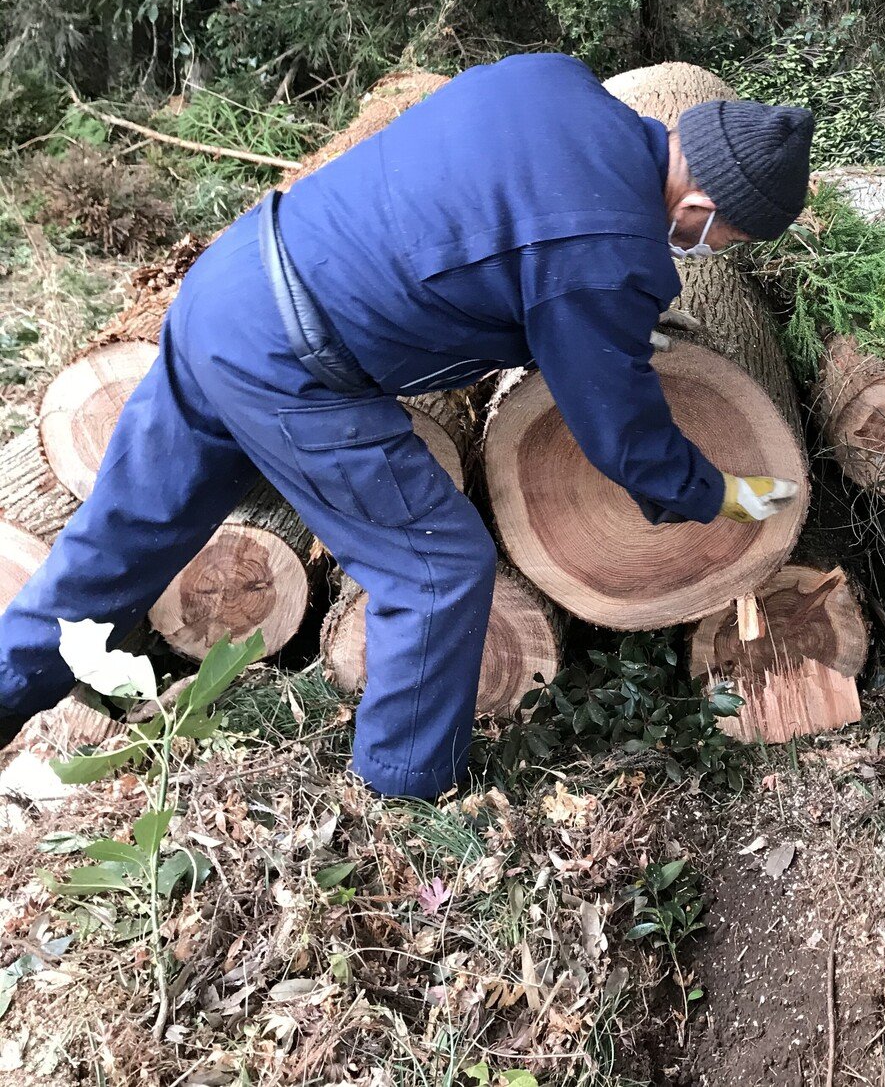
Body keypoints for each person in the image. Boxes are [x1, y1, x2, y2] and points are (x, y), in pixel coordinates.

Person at [0, 54, 814, 798]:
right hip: (293, 360)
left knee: (118, 543)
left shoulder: (559, 82)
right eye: (722, 238)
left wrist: (613, 328)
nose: (706, 249)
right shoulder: (606, 249)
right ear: (703, 204)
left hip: (232, 281)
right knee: (437, 567)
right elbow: (620, 434)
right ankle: (403, 800)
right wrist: (716, 492)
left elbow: (509, 230)